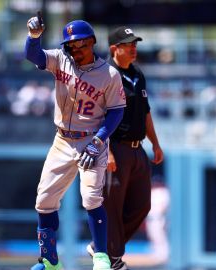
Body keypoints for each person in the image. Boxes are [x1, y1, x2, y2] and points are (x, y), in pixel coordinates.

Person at [25, 14, 126, 270]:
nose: (75, 49)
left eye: (80, 44)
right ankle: (49, 261)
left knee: (91, 198)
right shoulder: (61, 60)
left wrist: (100, 141)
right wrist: (33, 37)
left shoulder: (109, 74)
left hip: (91, 140)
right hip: (62, 140)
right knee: (44, 200)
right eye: (70, 45)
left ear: (91, 42)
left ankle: (101, 256)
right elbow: (33, 56)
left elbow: (116, 111)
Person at [86, 26, 164, 270]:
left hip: (137, 147)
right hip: (116, 147)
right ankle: (112, 257)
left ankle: (102, 246)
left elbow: (146, 111)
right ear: (114, 49)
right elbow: (97, 116)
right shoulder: (106, 74)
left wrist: (155, 143)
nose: (133, 48)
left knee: (143, 205)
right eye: (128, 44)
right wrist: (105, 150)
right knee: (113, 205)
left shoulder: (137, 73)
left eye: (135, 44)